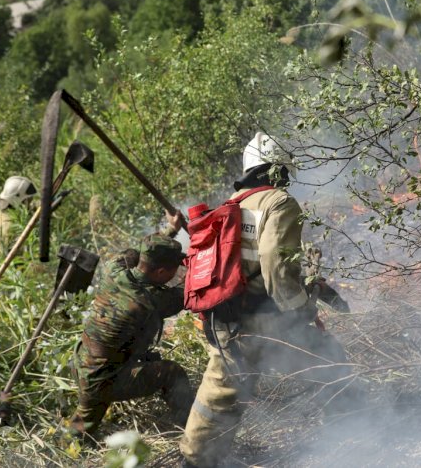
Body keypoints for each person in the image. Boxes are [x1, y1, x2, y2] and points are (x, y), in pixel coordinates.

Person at [179, 132, 360, 468]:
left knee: (219, 396)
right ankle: (358, 432)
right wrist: (302, 309)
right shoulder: (278, 203)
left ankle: (195, 459)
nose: (287, 182)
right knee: (327, 359)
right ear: (276, 170)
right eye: (284, 174)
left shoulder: (231, 205)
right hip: (262, 318)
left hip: (224, 320)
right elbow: (275, 265)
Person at [69, 211, 194, 437]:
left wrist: (170, 230)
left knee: (83, 424)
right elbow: (190, 290)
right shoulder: (151, 301)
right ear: (161, 272)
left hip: (82, 362)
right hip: (103, 378)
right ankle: (192, 428)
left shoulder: (113, 270)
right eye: (175, 270)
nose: (177, 273)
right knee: (172, 374)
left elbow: (134, 253)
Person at [0, 176, 37, 254]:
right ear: (17, 199)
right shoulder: (10, 224)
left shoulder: (4, 210)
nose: (30, 202)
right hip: (20, 261)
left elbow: (30, 208)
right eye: (27, 200)